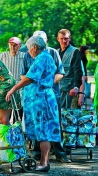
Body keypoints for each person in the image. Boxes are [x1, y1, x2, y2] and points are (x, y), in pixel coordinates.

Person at [6, 36, 60, 172]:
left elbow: (29, 78)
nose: (29, 51)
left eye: (29, 48)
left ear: (34, 47)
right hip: (40, 98)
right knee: (42, 130)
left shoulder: (42, 57)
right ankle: (43, 161)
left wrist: (13, 89)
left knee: (43, 131)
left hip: (42, 99)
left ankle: (44, 162)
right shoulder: (45, 57)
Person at [21, 30, 70, 163]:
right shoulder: (28, 55)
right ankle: (38, 154)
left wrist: (46, 82)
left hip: (49, 95)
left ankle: (59, 153)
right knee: (39, 126)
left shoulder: (50, 53)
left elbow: (60, 73)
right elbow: (24, 75)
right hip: (34, 97)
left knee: (52, 125)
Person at [57, 29, 85, 108]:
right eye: (62, 38)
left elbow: (78, 71)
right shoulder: (56, 52)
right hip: (58, 90)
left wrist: (76, 87)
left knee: (69, 117)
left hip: (70, 91)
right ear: (58, 39)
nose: (64, 41)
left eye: (66, 38)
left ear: (70, 38)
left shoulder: (74, 51)